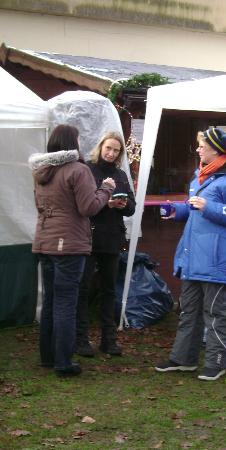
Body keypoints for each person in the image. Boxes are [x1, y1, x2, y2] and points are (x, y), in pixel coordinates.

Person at [155, 128, 226, 381]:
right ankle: (183, 359)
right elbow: (194, 209)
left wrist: (209, 206)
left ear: (217, 150)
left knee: (216, 313)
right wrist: (177, 211)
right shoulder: (199, 177)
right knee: (188, 311)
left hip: (216, 259)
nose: (197, 149)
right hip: (192, 257)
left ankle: (217, 362)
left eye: (201, 146)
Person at [29, 124, 115, 377]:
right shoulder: (78, 169)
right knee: (66, 303)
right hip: (69, 245)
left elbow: (40, 206)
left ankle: (48, 357)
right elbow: (89, 207)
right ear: (72, 143)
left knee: (50, 302)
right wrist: (106, 189)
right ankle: (64, 363)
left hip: (45, 241)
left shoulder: (42, 171)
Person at [74, 132, 136, 357]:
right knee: (83, 289)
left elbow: (132, 207)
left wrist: (123, 204)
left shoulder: (120, 174)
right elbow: (82, 204)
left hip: (112, 238)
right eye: (108, 148)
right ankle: (81, 339)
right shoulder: (87, 170)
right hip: (88, 237)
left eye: (116, 150)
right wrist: (105, 203)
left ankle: (108, 340)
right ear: (100, 147)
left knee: (109, 290)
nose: (111, 153)